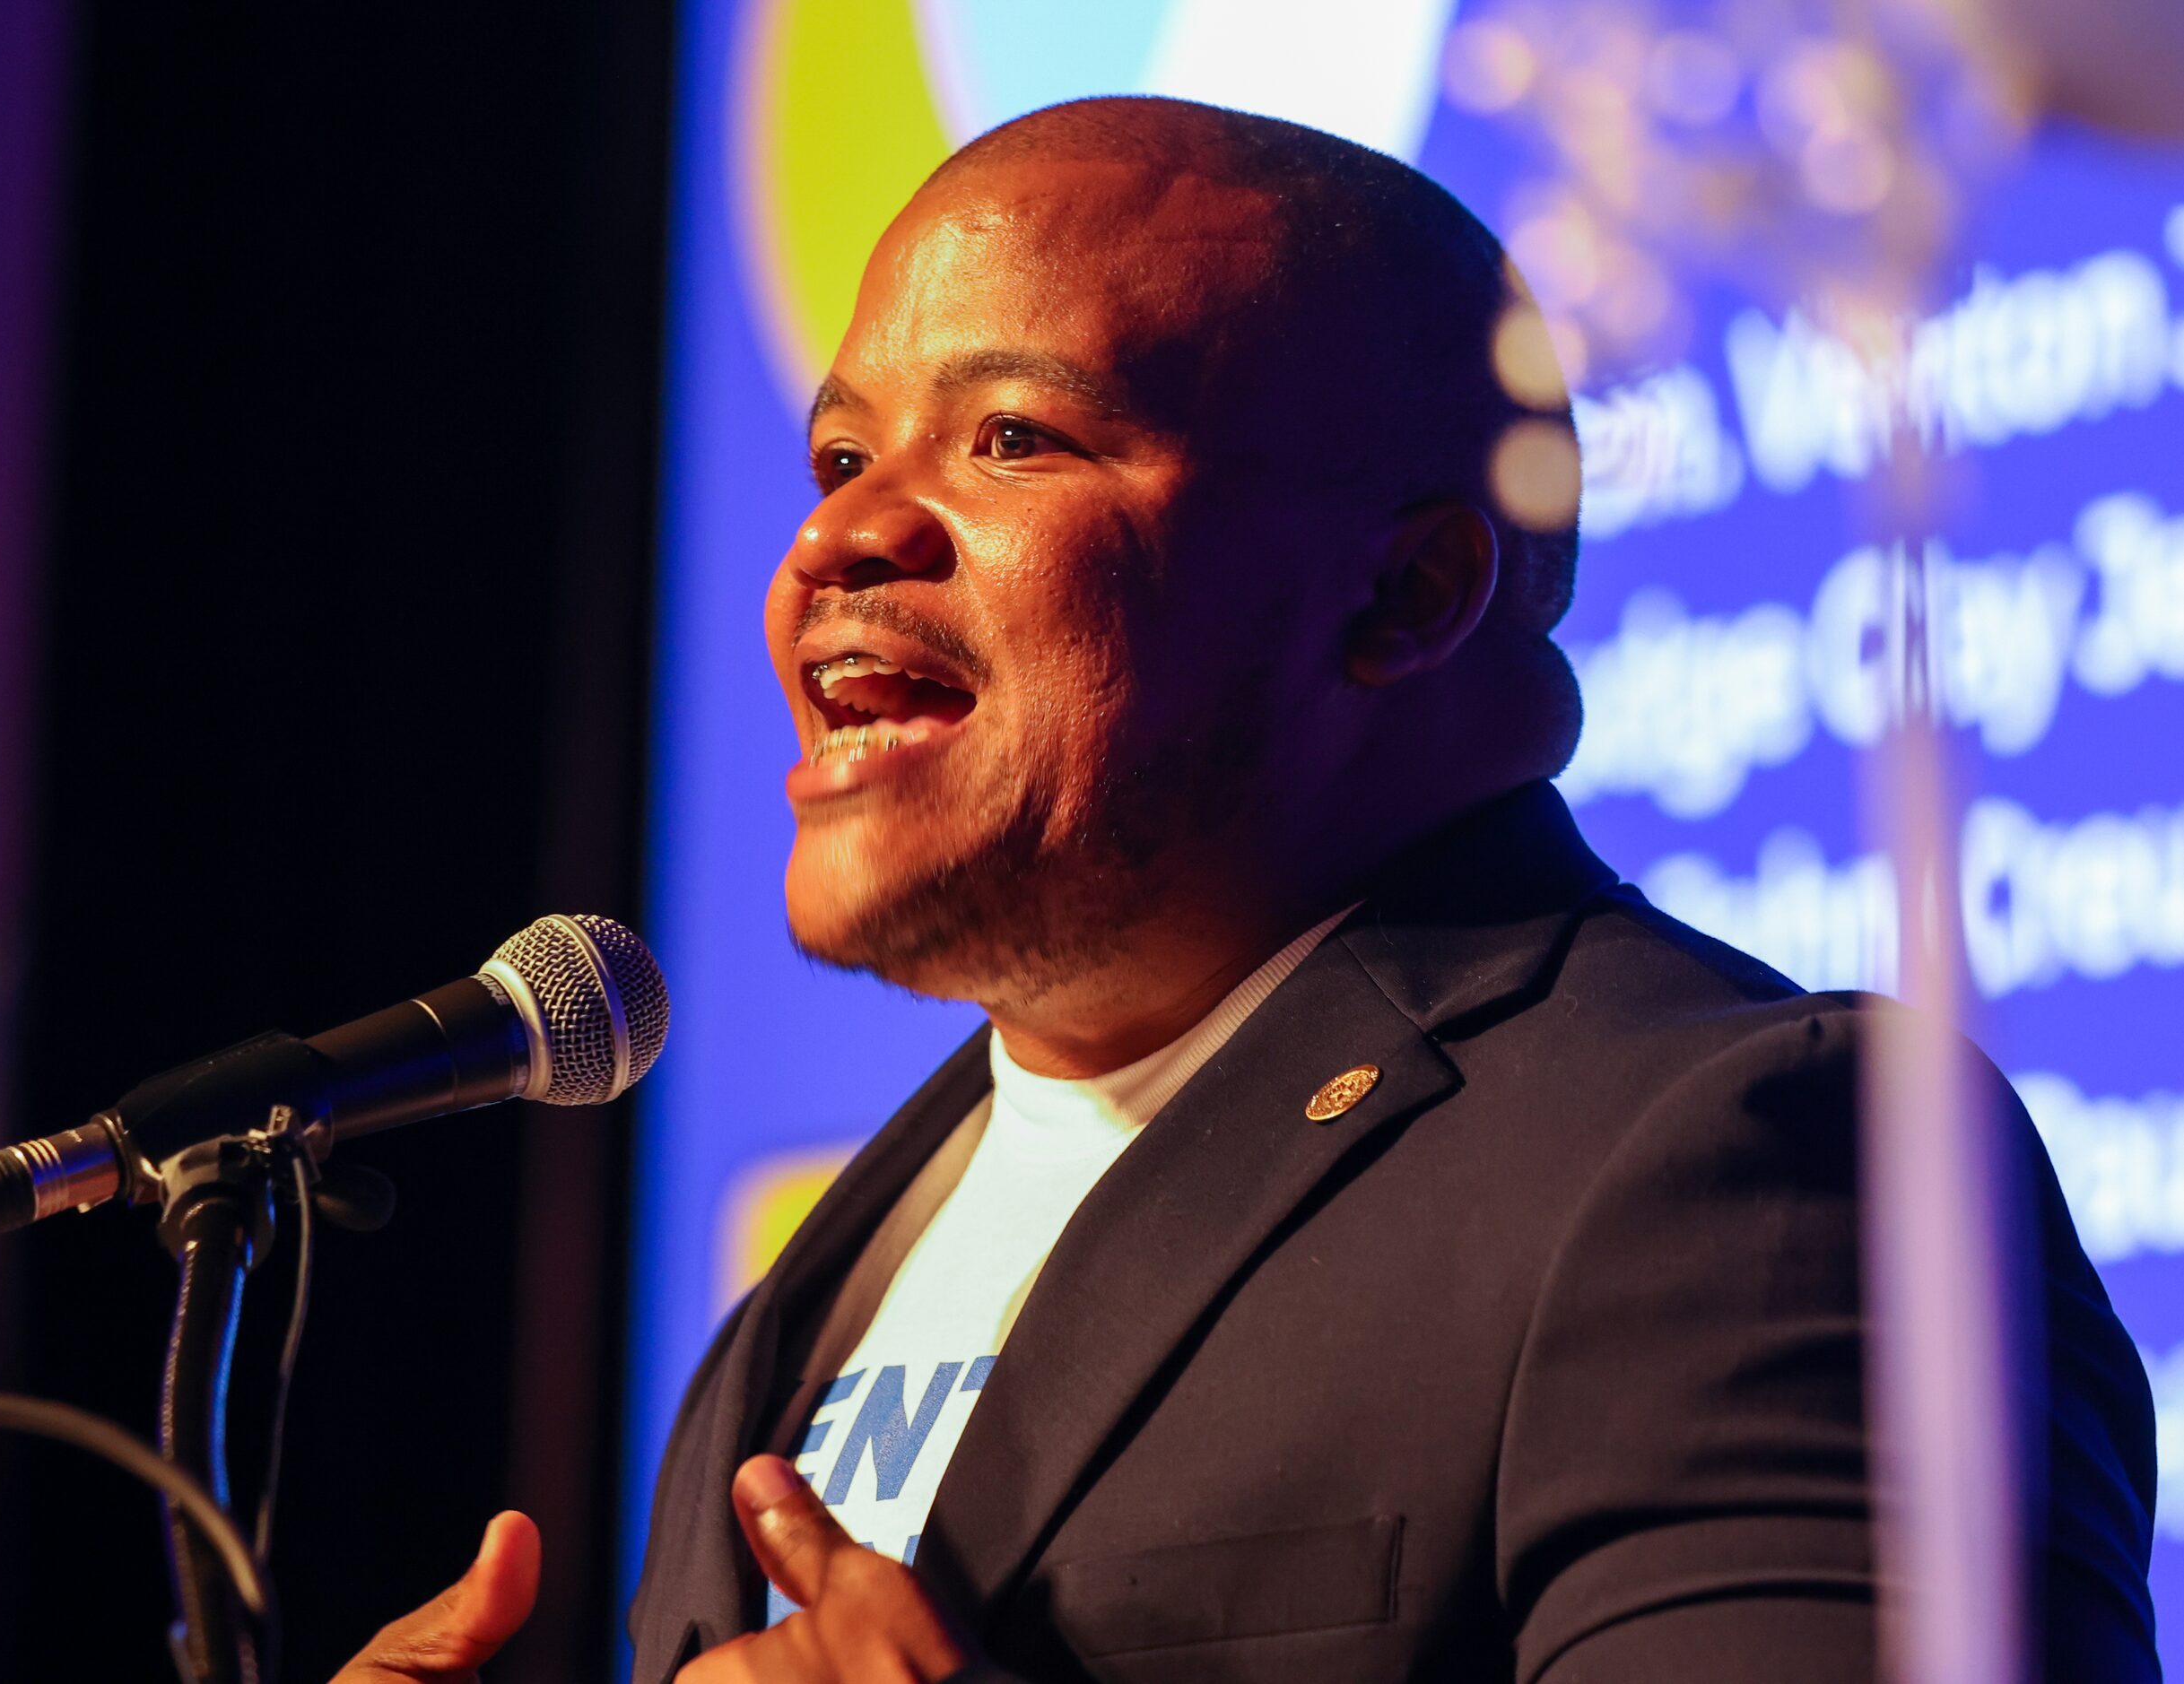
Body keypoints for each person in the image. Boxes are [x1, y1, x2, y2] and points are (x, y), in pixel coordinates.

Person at [335, 97, 2157, 1683]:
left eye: (1013, 438)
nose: (838, 538)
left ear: (1406, 594)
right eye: (834, 457)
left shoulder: (1744, 1162)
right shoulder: (798, 1309)